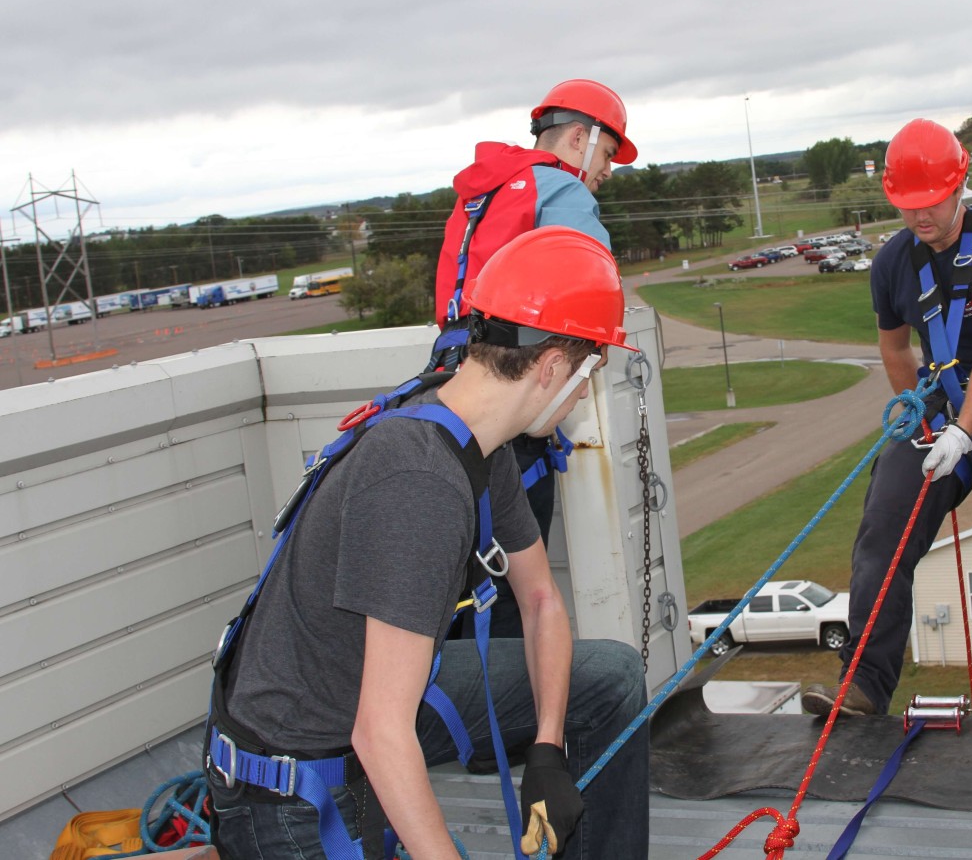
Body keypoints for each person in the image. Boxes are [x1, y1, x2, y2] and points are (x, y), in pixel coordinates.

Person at [206, 226, 649, 860]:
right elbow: (380, 731)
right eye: (588, 374)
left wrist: (548, 752)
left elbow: (542, 603)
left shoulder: (474, 435)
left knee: (608, 678)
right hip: (295, 784)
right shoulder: (419, 479)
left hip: (378, 694)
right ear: (552, 367)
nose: (584, 393)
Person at [802, 119, 972, 721]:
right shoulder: (894, 263)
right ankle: (865, 683)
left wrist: (964, 431)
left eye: (931, 202)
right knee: (882, 532)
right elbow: (895, 348)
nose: (920, 216)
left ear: (960, 186)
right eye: (907, 205)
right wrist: (924, 422)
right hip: (942, 410)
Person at [428, 78, 638, 638]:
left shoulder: (484, 193)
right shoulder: (565, 195)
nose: (607, 170)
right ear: (578, 137)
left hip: (448, 395)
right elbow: (594, 295)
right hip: (518, 412)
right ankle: (515, 719)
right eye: (608, 153)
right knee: (515, 595)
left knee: (459, 582)